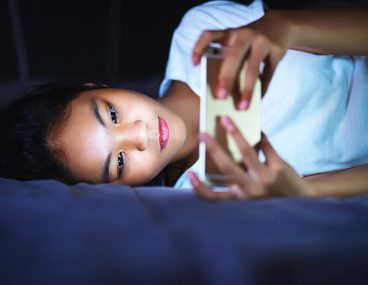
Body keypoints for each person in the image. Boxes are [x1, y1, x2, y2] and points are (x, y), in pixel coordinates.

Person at [0, 0, 367, 200]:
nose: (140, 136)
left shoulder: (200, 35)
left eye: (111, 114)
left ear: (95, 85)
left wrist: (287, 26)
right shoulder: (202, 194)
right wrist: (304, 193)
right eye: (120, 162)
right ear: (118, 189)